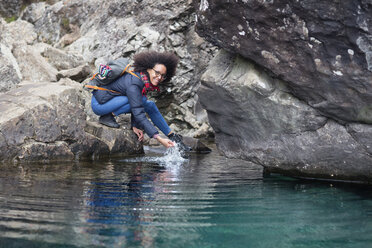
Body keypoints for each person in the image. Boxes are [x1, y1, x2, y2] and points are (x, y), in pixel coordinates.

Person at [90, 51, 191, 151]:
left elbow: (137, 104)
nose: (159, 77)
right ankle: (108, 116)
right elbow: (138, 111)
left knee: (149, 104)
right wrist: (159, 138)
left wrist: (135, 125)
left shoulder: (142, 78)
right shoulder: (135, 83)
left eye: (163, 75)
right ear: (148, 69)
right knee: (140, 100)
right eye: (157, 72)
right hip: (99, 104)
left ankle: (173, 136)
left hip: (112, 100)